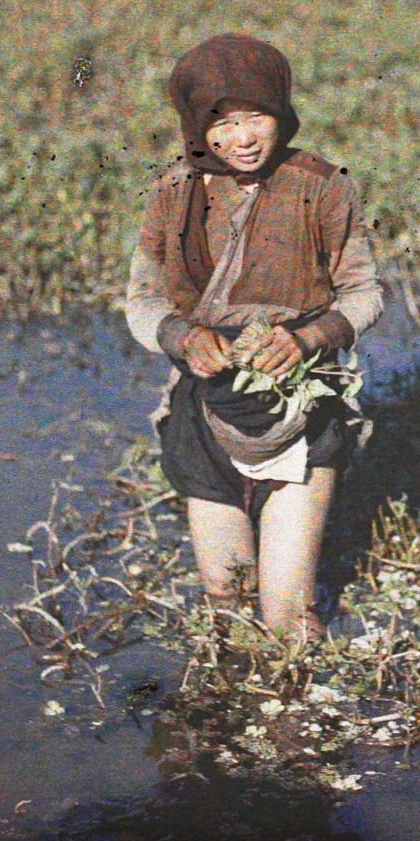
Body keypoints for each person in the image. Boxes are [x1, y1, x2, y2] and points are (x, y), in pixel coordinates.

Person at [124, 33, 382, 638]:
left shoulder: (322, 186)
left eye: (256, 117)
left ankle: (298, 722)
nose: (241, 139)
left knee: (288, 617)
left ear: (282, 113)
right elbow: (142, 300)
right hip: (204, 407)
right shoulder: (171, 190)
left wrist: (310, 340)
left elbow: (366, 294)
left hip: (299, 409)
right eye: (222, 123)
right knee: (225, 600)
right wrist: (182, 338)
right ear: (193, 124)